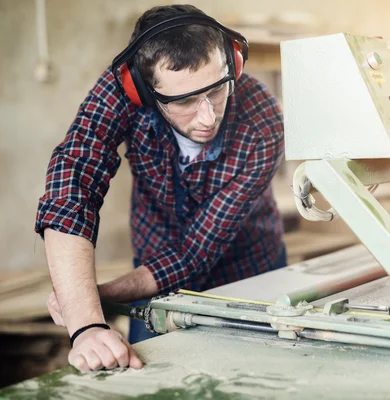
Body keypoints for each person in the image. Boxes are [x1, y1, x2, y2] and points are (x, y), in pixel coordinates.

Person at [37, 4, 287, 372]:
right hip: (153, 269)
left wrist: (99, 295)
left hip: (250, 271)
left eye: (217, 91)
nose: (207, 117)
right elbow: (72, 184)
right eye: (185, 101)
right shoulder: (120, 92)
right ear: (142, 91)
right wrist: (87, 324)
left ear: (233, 64)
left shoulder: (262, 118)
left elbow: (194, 253)